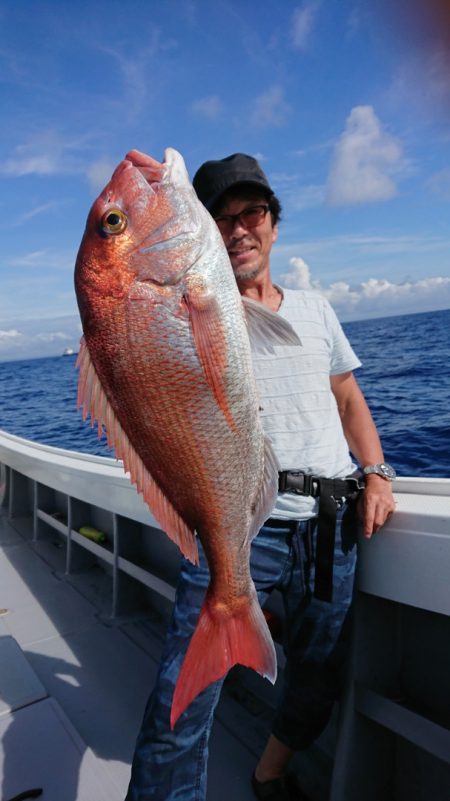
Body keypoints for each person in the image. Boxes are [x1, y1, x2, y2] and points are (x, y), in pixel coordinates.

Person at [125, 154, 396, 801]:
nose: (240, 227)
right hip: (241, 523)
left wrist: (378, 470)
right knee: (177, 704)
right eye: (223, 217)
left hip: (333, 520)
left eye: (253, 211)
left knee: (320, 674)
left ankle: (268, 771)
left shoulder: (315, 308)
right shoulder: (198, 304)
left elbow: (348, 395)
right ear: (207, 234)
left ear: (274, 223)